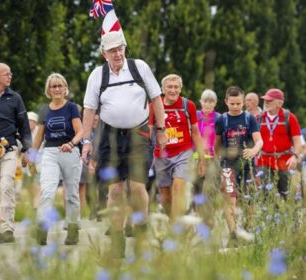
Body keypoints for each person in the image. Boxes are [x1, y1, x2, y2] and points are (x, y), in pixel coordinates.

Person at [81, 31, 167, 257]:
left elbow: (156, 98)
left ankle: (140, 236)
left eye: (120, 48)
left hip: (139, 134)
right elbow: (89, 110)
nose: (118, 53)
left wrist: (161, 129)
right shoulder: (97, 76)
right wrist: (86, 140)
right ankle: (117, 244)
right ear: (104, 54)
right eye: (112, 50)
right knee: (116, 190)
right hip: (109, 137)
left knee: (137, 186)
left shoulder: (139, 67)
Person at [28, 73, 83, 246]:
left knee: (72, 193)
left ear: (65, 88)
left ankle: (73, 229)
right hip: (50, 152)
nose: (57, 89)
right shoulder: (45, 110)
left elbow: (81, 131)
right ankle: (42, 229)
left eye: (60, 86)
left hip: (70, 152)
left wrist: (72, 143)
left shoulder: (72, 107)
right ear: (49, 90)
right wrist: (31, 157)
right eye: (54, 86)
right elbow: (38, 137)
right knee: (47, 190)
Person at [0, 62, 32, 244]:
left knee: (6, 185)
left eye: (10, 73)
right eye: (7, 74)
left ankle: (8, 228)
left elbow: (24, 126)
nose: (10, 76)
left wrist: (27, 149)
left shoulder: (15, 98)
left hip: (9, 149)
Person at [149, 74, 206, 220]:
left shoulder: (188, 105)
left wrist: (202, 159)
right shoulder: (154, 106)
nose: (173, 90)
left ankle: (175, 231)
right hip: (161, 155)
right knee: (166, 197)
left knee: (178, 188)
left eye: (176, 87)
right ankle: (174, 221)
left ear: (180, 89)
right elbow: (149, 132)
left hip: (183, 153)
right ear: (162, 89)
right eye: (169, 87)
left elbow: (195, 133)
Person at [214, 86, 263, 246]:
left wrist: (254, 150)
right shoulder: (222, 120)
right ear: (226, 102)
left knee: (248, 200)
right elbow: (217, 143)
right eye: (232, 103)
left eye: (239, 103)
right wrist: (217, 159)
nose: (235, 107)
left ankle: (248, 231)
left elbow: (259, 140)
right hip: (228, 165)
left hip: (247, 165)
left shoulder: (250, 119)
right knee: (230, 200)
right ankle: (233, 234)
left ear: (243, 102)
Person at [256, 89, 302, 199]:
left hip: (284, 160)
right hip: (264, 160)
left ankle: (286, 215)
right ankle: (267, 215)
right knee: (265, 193)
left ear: (279, 103)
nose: (266, 102)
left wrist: (295, 156)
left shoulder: (290, 117)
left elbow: (297, 140)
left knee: (285, 193)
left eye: (270, 100)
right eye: (265, 100)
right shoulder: (259, 118)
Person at [192, 89, 220, 223]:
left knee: (210, 189)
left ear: (215, 103)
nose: (208, 104)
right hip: (196, 157)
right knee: (196, 188)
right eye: (205, 101)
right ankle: (197, 216)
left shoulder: (219, 118)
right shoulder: (195, 116)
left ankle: (209, 218)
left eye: (211, 101)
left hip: (213, 158)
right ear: (200, 102)